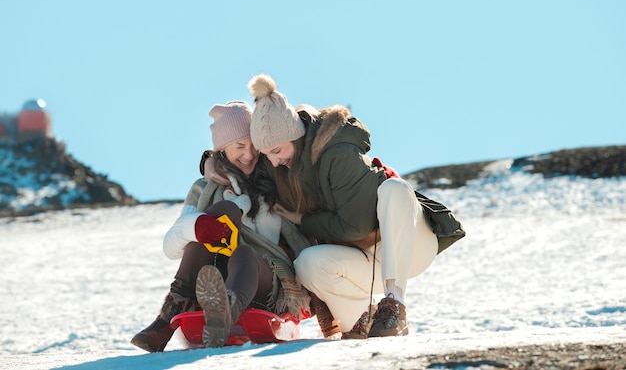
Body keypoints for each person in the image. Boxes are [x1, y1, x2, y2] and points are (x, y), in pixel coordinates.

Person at [247, 73, 466, 339]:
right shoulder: (286, 167)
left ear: (294, 136)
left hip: (408, 244)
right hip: (365, 260)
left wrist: (303, 220)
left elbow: (355, 225)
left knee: (394, 189)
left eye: (277, 151)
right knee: (307, 264)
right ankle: (362, 321)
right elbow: (242, 165)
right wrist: (213, 163)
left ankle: (394, 303)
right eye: (267, 154)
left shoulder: (336, 153)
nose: (273, 161)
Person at [130, 101, 313, 352]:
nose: (249, 155)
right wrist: (198, 225)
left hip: (263, 279)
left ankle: (225, 313)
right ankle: (168, 318)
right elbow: (170, 247)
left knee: (244, 253)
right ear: (222, 149)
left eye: (253, 146)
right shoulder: (203, 188)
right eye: (239, 147)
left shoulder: (275, 181)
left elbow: (300, 237)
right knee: (203, 232)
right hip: (216, 273)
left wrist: (323, 296)